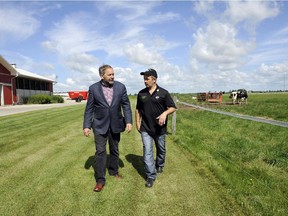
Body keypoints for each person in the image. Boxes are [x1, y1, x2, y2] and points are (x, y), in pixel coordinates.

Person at [83, 64, 132, 192]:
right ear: (102, 75)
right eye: (109, 74)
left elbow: (126, 105)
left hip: (116, 124)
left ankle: (113, 171)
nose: (112, 77)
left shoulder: (121, 87)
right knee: (100, 152)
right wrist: (87, 126)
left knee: (114, 150)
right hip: (99, 125)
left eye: (113, 74)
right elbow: (89, 109)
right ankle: (100, 180)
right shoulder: (93, 89)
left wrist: (129, 121)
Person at [135, 68, 177, 188]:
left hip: (160, 129)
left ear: (154, 80)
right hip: (145, 128)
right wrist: (138, 122)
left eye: (147, 78)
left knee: (161, 149)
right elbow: (138, 109)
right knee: (147, 152)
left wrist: (164, 114)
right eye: (144, 78)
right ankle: (150, 176)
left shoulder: (163, 93)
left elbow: (173, 107)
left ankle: (160, 164)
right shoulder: (141, 94)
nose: (145, 81)